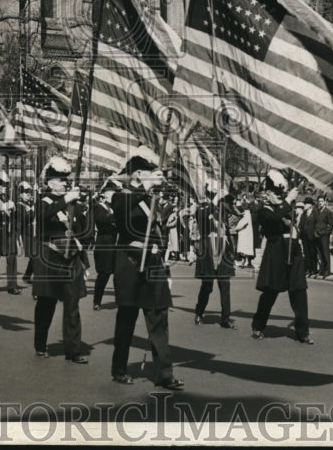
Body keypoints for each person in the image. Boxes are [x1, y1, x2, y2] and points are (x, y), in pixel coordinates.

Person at [110, 152, 183, 390]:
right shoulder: (121, 195)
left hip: (152, 261)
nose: (156, 176)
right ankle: (119, 368)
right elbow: (122, 213)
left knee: (158, 317)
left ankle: (164, 373)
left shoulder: (150, 197)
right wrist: (146, 187)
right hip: (130, 261)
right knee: (127, 319)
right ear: (139, 174)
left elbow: (153, 229)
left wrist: (165, 219)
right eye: (151, 171)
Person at [32, 156, 89, 362]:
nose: (66, 182)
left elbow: (80, 233)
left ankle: (73, 351)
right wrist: (65, 200)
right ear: (49, 183)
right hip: (50, 258)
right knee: (46, 305)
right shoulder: (43, 202)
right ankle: (40, 343)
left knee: (72, 306)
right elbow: (44, 217)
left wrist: (84, 261)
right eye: (61, 179)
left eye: (66, 179)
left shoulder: (71, 203)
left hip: (71, 260)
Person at [251, 170, 312, 344]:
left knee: (299, 292)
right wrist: (287, 201)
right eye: (276, 193)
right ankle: (258, 326)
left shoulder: (285, 209)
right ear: (268, 193)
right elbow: (272, 220)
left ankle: (303, 332)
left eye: (281, 193)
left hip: (293, 253)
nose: (279, 196)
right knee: (270, 293)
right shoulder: (263, 210)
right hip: (276, 254)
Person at [193, 180, 237, 329]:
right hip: (209, 251)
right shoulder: (203, 208)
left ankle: (226, 318)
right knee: (207, 286)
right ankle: (199, 312)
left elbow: (237, 211)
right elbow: (201, 219)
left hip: (223, 250)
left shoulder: (222, 208)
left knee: (225, 285)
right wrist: (214, 201)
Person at [0, 173, 21, 294]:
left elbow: (15, 218)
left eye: (5, 186)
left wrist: (14, 210)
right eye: (2, 186)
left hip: (9, 233)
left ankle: (12, 286)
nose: (5, 188)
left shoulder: (8, 199)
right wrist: (3, 208)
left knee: (12, 258)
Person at [91, 178, 120, 311]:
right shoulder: (98, 207)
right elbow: (102, 219)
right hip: (104, 243)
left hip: (116, 243)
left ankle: (121, 299)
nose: (113, 196)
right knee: (104, 274)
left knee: (119, 275)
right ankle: (97, 301)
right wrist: (117, 216)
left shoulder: (115, 208)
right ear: (104, 194)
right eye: (110, 193)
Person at [313, 195, 333, 277]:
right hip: (317, 235)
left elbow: (330, 225)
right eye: (319, 201)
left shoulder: (328, 212)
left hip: (324, 235)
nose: (320, 203)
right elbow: (315, 223)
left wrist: (325, 232)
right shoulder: (317, 211)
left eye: (322, 201)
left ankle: (327, 270)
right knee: (320, 253)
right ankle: (321, 270)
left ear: (325, 202)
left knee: (325, 253)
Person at [300, 197, 318, 277]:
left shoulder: (315, 213)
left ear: (310, 205)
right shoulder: (304, 214)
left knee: (313, 253)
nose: (305, 205)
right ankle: (308, 268)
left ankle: (314, 269)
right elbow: (301, 224)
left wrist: (315, 233)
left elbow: (317, 224)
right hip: (304, 236)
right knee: (306, 253)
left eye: (306, 204)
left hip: (312, 236)